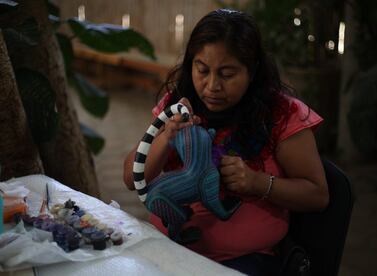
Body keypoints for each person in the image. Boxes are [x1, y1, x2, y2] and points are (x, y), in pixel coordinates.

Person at [123, 8, 329, 276]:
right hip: (168, 250)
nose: (211, 86)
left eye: (227, 74)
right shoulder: (179, 105)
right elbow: (131, 178)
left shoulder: (281, 115)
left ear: (252, 71)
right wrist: (166, 138)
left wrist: (257, 182)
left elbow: (318, 195)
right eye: (202, 70)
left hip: (246, 261)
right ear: (190, 65)